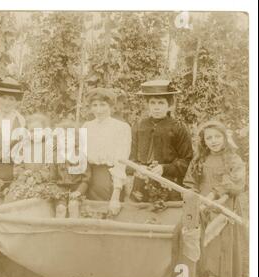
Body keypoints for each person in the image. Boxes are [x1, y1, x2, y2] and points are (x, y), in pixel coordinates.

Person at [183, 120, 246, 277]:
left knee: (221, 240)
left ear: (225, 137)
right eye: (209, 138)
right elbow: (191, 182)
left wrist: (216, 196)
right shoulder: (199, 160)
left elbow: (236, 182)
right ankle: (204, 273)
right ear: (203, 141)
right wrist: (194, 196)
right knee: (203, 238)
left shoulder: (232, 159)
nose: (214, 141)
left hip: (224, 204)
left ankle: (220, 275)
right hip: (202, 205)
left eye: (218, 136)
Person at [130, 80, 193, 204]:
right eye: (152, 103)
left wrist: (164, 168)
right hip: (142, 182)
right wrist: (138, 167)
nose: (156, 107)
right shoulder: (139, 125)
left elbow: (187, 160)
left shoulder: (178, 127)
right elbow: (131, 156)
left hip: (169, 183)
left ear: (169, 105)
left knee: (167, 216)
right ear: (147, 104)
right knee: (140, 215)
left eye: (161, 103)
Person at [81, 87, 131, 216]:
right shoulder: (87, 126)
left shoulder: (121, 128)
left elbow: (121, 162)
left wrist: (116, 195)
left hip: (109, 180)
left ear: (111, 106)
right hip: (88, 179)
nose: (99, 110)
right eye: (95, 105)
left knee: (108, 217)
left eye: (103, 105)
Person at [52, 118, 91, 218]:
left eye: (69, 137)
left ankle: (73, 230)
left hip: (76, 187)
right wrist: (57, 192)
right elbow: (52, 179)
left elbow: (86, 179)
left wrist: (79, 191)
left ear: (75, 140)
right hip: (60, 189)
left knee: (73, 206)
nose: (65, 139)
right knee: (60, 208)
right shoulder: (55, 156)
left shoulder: (81, 155)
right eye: (61, 137)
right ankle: (58, 230)